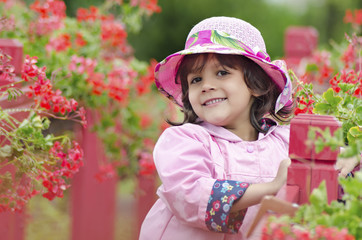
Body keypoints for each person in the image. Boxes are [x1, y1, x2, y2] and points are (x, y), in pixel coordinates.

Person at [139, 16, 359, 240]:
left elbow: (332, 174)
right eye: (195, 79)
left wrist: (351, 161)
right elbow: (188, 196)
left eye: (222, 73)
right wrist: (270, 187)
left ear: (256, 84)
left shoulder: (287, 141)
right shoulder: (185, 140)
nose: (206, 86)